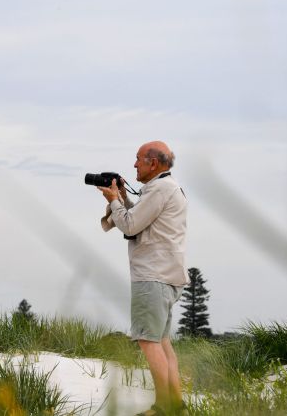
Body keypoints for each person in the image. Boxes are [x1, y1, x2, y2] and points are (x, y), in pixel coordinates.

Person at [97, 141, 188, 415]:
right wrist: (123, 199)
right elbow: (140, 217)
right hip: (168, 275)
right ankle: (176, 405)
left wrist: (113, 201)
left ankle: (163, 407)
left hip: (152, 276)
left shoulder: (160, 189)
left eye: (138, 159)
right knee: (161, 341)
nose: (134, 164)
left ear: (154, 163)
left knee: (149, 341)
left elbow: (131, 224)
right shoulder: (167, 188)